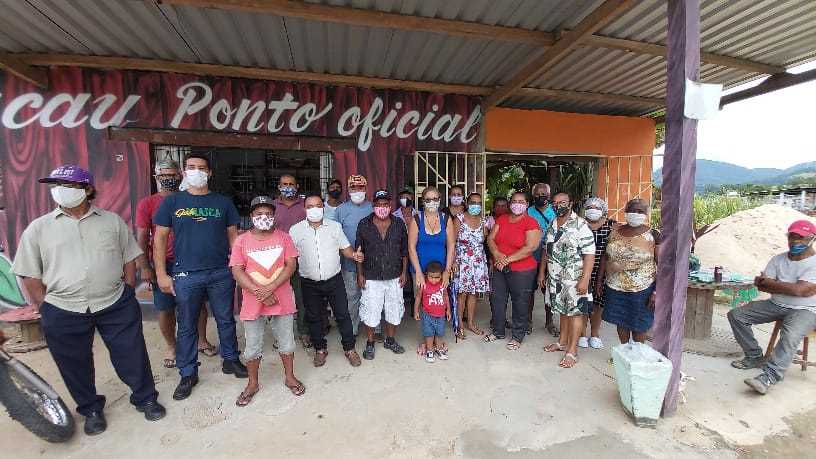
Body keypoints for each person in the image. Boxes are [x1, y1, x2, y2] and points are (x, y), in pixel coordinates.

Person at [12, 165, 165, 436]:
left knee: (131, 352)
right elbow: (29, 273)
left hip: (114, 301)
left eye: (69, 186)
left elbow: (129, 256)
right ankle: (91, 408)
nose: (60, 191)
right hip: (63, 307)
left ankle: (145, 398)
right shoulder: (39, 229)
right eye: (57, 185)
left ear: (88, 190)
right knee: (74, 362)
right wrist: (43, 306)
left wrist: (128, 288)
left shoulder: (111, 221)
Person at [154, 154, 248, 402]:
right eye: (191, 167)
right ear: (184, 172)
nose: (196, 171)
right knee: (186, 324)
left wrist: (237, 268)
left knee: (226, 319)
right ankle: (187, 373)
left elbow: (233, 238)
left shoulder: (223, 202)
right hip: (185, 273)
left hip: (220, 271)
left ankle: (230, 359)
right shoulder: (172, 202)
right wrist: (161, 274)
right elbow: (160, 239)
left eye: (202, 168)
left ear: (210, 173)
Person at [135, 160, 215, 369]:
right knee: (165, 308)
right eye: (163, 175)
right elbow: (143, 238)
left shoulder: (189, 199)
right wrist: (146, 267)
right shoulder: (148, 203)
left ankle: (201, 340)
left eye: (172, 174)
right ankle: (171, 346)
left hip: (193, 262)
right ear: (156, 177)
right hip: (165, 263)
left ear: (180, 175)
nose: (168, 178)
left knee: (199, 306)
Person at [229, 196, 304, 406]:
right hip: (253, 301)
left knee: (287, 342)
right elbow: (237, 270)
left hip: (282, 299)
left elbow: (291, 265)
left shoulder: (284, 237)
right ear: (251, 216)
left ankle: (289, 377)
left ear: (274, 216)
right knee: (252, 346)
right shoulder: (241, 240)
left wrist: (270, 288)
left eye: (269, 214)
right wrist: (259, 291)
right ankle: (253, 383)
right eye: (259, 214)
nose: (264, 218)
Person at [728, 220, 816, 395]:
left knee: (790, 335)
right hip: (776, 304)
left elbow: (803, 291)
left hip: (807, 309)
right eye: (792, 236)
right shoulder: (778, 259)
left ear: (812, 239)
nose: (795, 241)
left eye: (800, 238)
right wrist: (783, 286)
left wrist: (774, 284)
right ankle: (754, 356)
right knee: (736, 315)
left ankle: (769, 376)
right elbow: (761, 285)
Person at [289, 195, 365, 368]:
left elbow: (345, 249)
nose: (314, 209)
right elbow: (290, 256)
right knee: (314, 317)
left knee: (343, 314)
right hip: (309, 282)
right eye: (310, 206)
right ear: (304, 208)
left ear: (323, 207)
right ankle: (320, 350)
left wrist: (354, 255)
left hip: (334, 280)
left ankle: (349, 349)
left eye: (317, 205)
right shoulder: (295, 230)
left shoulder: (335, 227)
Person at [539, 192, 596, 369]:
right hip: (555, 278)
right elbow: (546, 251)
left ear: (571, 203)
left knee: (576, 313)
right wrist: (542, 273)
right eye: (554, 203)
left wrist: (585, 279)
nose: (558, 205)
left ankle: (572, 351)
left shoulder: (580, 225)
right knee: (563, 310)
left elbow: (589, 254)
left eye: (562, 202)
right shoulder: (552, 224)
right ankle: (562, 342)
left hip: (574, 278)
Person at [485, 191, 541, 350]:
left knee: (520, 302)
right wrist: (496, 254)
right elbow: (490, 238)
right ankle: (498, 331)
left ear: (527, 204)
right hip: (499, 267)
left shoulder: (531, 222)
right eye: (515, 201)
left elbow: (530, 247)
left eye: (521, 201)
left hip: (522, 269)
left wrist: (506, 260)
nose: (517, 204)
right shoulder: (502, 219)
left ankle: (517, 336)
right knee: (497, 299)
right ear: (510, 203)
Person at [356, 189, 409, 360]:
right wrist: (360, 274)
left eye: (385, 204)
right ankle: (370, 342)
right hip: (371, 275)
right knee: (371, 310)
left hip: (394, 275)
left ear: (390, 205)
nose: (382, 207)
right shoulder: (364, 224)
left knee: (394, 309)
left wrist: (403, 272)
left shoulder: (399, 224)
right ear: (373, 206)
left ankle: (390, 340)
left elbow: (404, 251)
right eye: (379, 204)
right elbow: (359, 252)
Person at [599, 198, 659, 345]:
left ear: (646, 214)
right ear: (625, 212)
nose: (635, 214)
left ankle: (637, 355)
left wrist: (657, 291)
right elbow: (605, 257)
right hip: (615, 286)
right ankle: (624, 351)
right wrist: (599, 281)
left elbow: (663, 266)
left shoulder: (653, 235)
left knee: (639, 325)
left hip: (642, 289)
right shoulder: (615, 231)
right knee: (621, 321)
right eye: (632, 210)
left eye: (640, 211)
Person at [271, 174, 310, 348]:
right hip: (277, 261)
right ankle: (280, 335)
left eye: (291, 184)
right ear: (279, 186)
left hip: (301, 259)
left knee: (302, 298)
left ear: (297, 186)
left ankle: (304, 331)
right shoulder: (271, 206)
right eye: (284, 184)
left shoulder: (304, 206)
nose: (288, 187)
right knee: (278, 298)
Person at [335, 174, 374, 337]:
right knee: (352, 298)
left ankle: (375, 328)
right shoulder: (341, 210)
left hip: (372, 263)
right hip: (349, 264)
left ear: (366, 189)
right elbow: (336, 235)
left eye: (360, 188)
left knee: (372, 297)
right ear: (348, 190)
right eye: (353, 188)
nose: (357, 191)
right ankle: (352, 329)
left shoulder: (374, 208)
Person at [453, 192, 490, 338]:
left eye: (479, 203)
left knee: (473, 293)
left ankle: (471, 323)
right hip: (462, 261)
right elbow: (451, 242)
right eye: (473, 202)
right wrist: (454, 261)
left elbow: (485, 241)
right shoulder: (459, 220)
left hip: (478, 261)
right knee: (462, 293)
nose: (476, 205)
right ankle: (460, 324)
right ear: (467, 203)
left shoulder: (484, 222)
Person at [581, 197, 615, 350]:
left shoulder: (612, 226)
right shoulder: (579, 225)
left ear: (603, 210)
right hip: (581, 269)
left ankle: (594, 334)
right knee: (582, 302)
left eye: (596, 207)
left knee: (597, 303)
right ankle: (581, 334)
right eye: (589, 207)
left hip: (602, 271)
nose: (592, 209)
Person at [408, 186, 456, 291]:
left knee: (439, 303)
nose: (432, 202)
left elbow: (451, 246)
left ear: (439, 200)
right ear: (423, 201)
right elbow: (411, 247)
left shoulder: (446, 219)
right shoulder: (416, 219)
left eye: (435, 199)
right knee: (420, 302)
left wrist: (447, 271)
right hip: (419, 269)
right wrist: (418, 272)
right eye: (428, 199)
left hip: (441, 272)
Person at [528, 183, 558, 337]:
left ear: (549, 194)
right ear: (533, 196)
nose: (541, 196)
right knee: (529, 290)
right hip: (532, 254)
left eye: (544, 193)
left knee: (549, 290)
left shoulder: (556, 211)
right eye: (538, 194)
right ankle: (528, 321)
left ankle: (549, 321)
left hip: (551, 256)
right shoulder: (528, 212)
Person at [414, 261, 451, 363]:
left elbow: (446, 297)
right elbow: (418, 298)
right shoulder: (423, 285)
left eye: (437, 277)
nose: (434, 280)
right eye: (431, 277)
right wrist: (416, 310)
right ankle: (430, 351)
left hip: (441, 315)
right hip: (427, 315)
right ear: (426, 275)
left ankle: (439, 349)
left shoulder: (443, 285)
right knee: (429, 334)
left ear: (441, 276)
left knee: (439, 333)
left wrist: (448, 310)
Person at [393, 189, 418, 314]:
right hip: (399, 252)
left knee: (416, 279)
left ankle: (416, 308)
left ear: (412, 198)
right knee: (399, 278)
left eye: (407, 197)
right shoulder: (393, 215)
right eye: (402, 197)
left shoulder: (418, 214)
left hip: (416, 251)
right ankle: (398, 308)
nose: (405, 199)